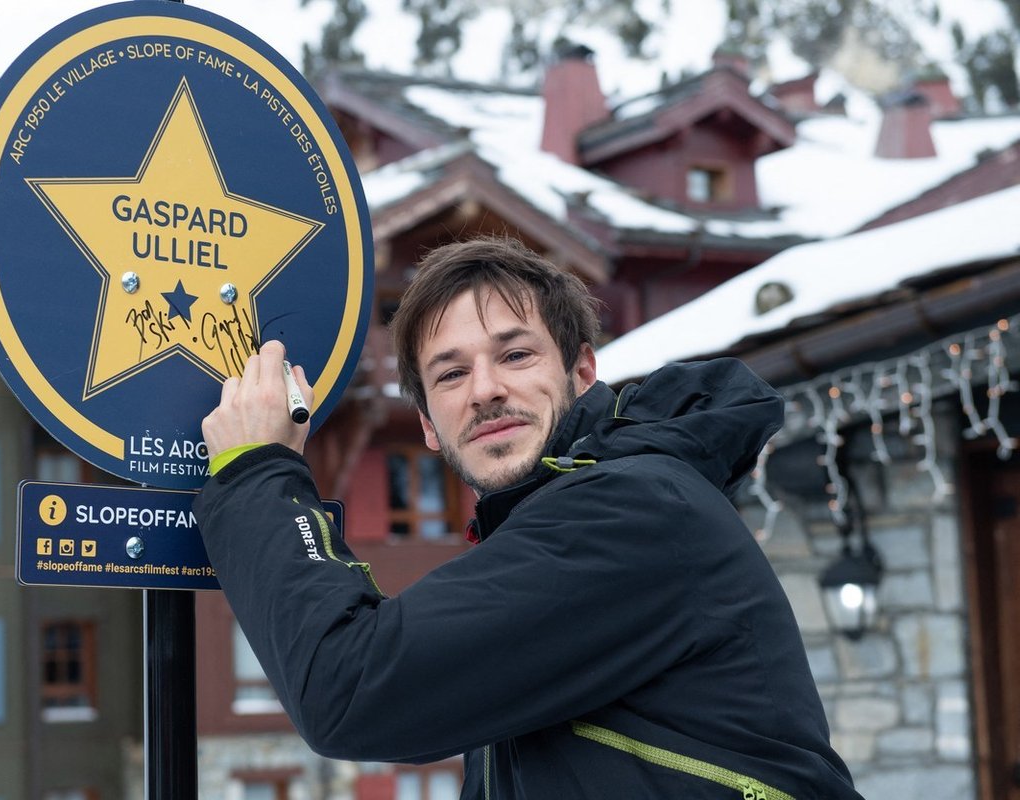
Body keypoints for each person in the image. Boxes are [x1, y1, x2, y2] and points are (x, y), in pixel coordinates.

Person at [195, 236, 863, 799]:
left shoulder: (636, 509)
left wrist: (261, 473)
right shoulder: (551, 533)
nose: (486, 389)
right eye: (451, 375)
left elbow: (351, 687)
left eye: (515, 355)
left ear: (582, 373)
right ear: (428, 425)